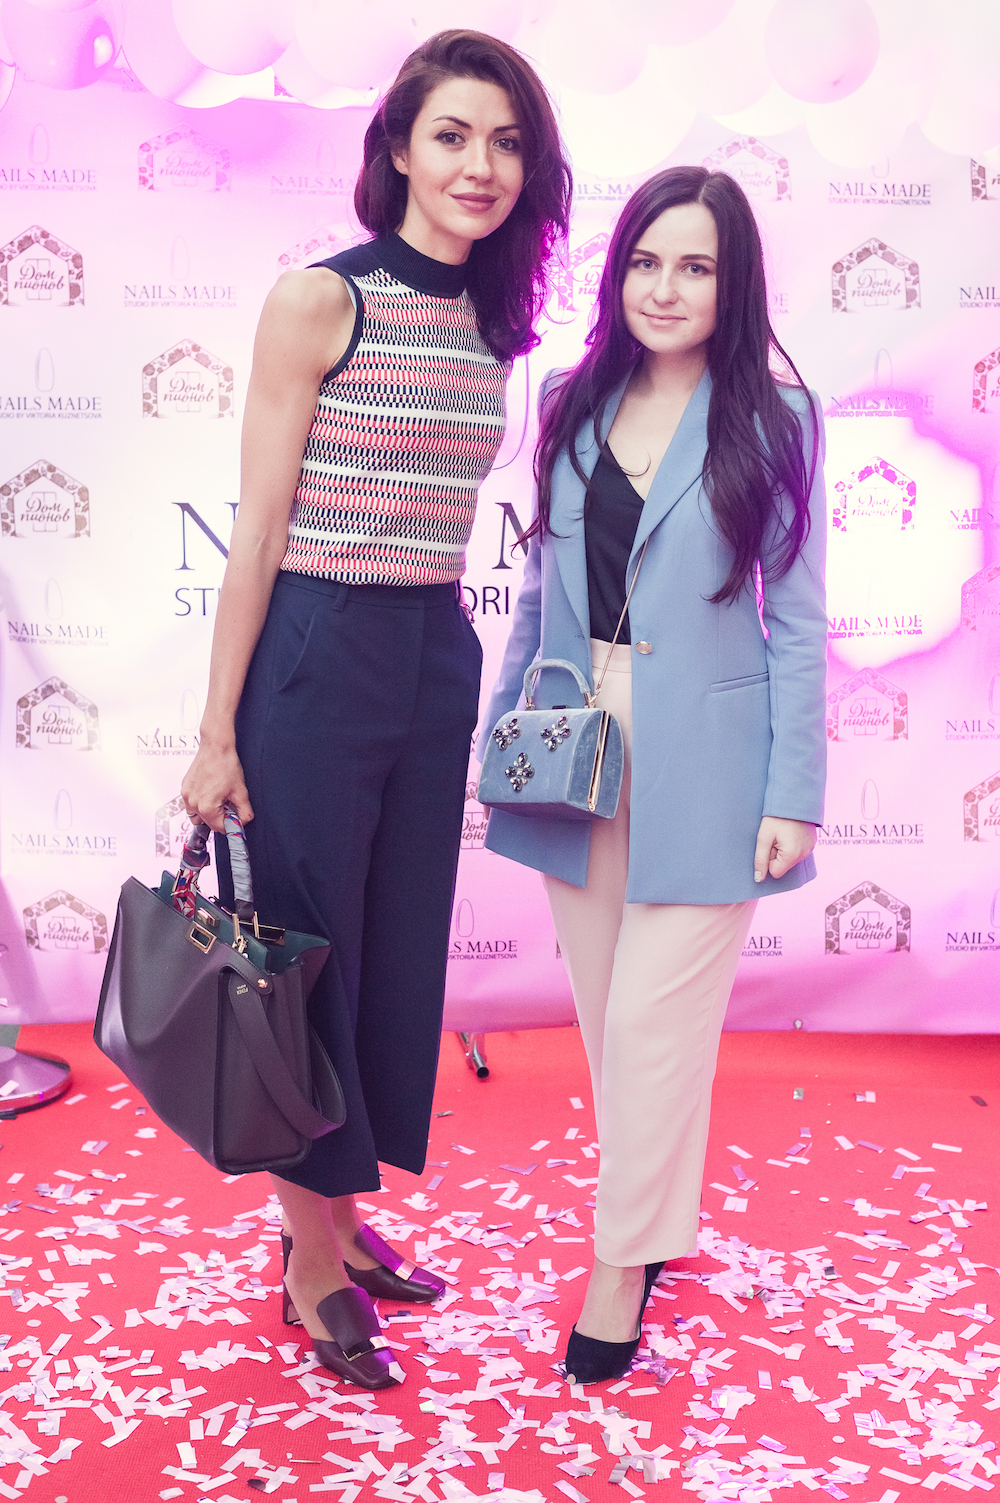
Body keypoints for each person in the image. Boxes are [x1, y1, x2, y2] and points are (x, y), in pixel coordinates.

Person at [181, 30, 571, 1390]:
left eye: (506, 141)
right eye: (452, 135)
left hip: (430, 654)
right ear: (398, 147)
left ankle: (338, 1220)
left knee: (392, 953)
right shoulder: (319, 300)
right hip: (316, 648)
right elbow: (257, 528)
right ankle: (309, 1263)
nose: (480, 165)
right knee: (306, 960)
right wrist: (216, 730)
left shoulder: (494, 322)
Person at [479, 165, 827, 1385]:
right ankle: (656, 1224)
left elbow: (796, 619)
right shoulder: (572, 400)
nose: (663, 288)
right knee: (612, 1030)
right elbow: (539, 589)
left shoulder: (776, 418)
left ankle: (618, 1265)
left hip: (715, 764)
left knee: (647, 1026)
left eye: (694, 266)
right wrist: (499, 742)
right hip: (574, 747)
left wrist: (793, 793)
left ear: (733, 285)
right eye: (643, 262)